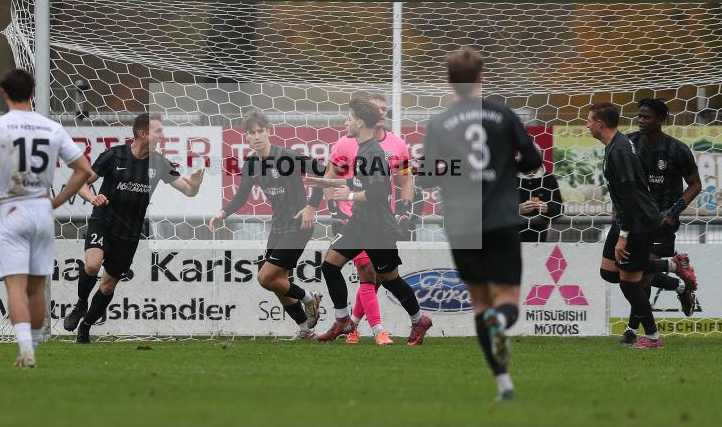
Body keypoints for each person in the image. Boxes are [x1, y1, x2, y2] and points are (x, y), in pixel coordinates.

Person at [421, 47, 542, 401]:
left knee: (479, 302)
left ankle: (503, 383)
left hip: (461, 223)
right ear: (480, 78)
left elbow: (427, 177)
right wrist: (505, 167)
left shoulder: (439, 123)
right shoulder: (502, 115)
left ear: (449, 82)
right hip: (503, 218)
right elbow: (533, 159)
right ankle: (501, 324)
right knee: (507, 298)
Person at [0, 68, 92, 367]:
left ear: (5, 94)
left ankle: (26, 350)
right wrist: (57, 200)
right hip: (41, 209)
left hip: (10, 209)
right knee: (37, 287)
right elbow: (84, 170)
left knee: (15, 285)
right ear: (34, 93)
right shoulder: (51, 128)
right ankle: (33, 347)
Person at [62, 113, 205, 343]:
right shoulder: (114, 155)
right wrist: (92, 198)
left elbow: (187, 191)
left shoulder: (159, 163)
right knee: (92, 264)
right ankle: (80, 304)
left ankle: (86, 327)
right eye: (158, 131)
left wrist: (195, 187)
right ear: (143, 133)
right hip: (104, 222)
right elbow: (81, 184)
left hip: (129, 232)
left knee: (107, 287)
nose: (162, 135)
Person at [307, 97, 432, 346]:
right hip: (358, 224)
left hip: (377, 228)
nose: (346, 123)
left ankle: (419, 320)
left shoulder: (373, 151)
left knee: (389, 280)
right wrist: (328, 183)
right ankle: (343, 320)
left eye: (349, 118)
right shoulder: (362, 148)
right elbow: (358, 181)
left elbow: (379, 191)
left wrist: (349, 195)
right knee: (330, 266)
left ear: (360, 122)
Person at [209, 111, 323, 339]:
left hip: (299, 225)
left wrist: (312, 206)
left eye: (260, 131)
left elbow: (321, 171)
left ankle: (309, 298)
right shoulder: (251, 164)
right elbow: (242, 196)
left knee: (265, 277)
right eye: (252, 132)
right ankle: (304, 329)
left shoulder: (287, 156)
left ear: (268, 132)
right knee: (277, 282)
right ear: (247, 137)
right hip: (278, 227)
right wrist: (222, 212)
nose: (257, 136)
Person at [617, 98, 701, 343]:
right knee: (631, 273)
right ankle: (680, 281)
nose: (641, 121)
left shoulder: (677, 149)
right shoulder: (629, 143)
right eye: (639, 116)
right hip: (634, 219)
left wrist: (673, 211)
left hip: (662, 221)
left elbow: (695, 185)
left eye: (647, 117)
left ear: (661, 120)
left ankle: (632, 332)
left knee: (640, 277)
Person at [587, 101, 663, 349]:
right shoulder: (617, 145)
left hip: (636, 223)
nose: (587, 125)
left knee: (629, 284)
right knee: (608, 271)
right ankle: (670, 266)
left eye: (589, 121)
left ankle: (652, 337)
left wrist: (624, 235)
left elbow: (630, 194)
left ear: (599, 124)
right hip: (628, 219)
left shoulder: (619, 150)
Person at [517, 165, 563, 242]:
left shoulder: (548, 178)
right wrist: (517, 209)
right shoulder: (509, 178)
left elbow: (560, 207)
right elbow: (498, 207)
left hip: (538, 237)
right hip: (511, 234)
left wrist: (548, 208)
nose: (531, 172)